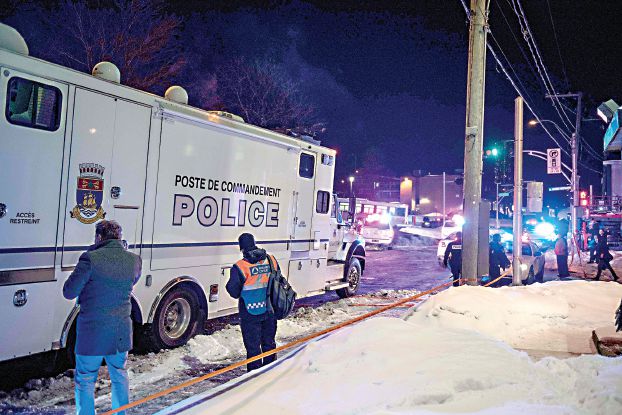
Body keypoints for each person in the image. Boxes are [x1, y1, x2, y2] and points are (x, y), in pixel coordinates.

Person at [63, 220, 141, 415]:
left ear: (99, 237)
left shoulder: (90, 259)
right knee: (119, 375)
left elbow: (69, 291)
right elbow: (132, 281)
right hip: (120, 332)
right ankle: (121, 413)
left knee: (86, 378)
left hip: (93, 333)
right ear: (119, 238)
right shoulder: (134, 260)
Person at [226, 233, 279, 371]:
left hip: (250, 313)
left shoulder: (240, 266)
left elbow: (233, 291)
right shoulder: (271, 260)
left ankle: (254, 378)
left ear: (242, 248)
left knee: (253, 349)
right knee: (269, 344)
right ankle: (271, 372)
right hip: (270, 310)